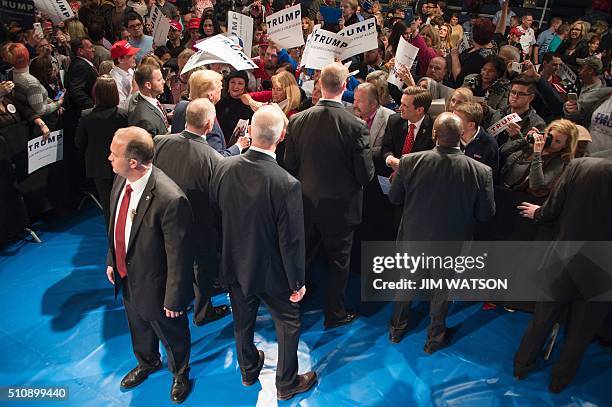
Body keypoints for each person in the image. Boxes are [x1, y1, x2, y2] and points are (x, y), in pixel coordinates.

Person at [210, 104, 317, 400]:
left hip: (234, 263)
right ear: (281, 136)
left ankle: (247, 370)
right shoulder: (286, 183)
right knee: (289, 323)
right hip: (273, 274)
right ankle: (286, 384)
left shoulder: (223, 167)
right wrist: (297, 282)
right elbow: (291, 241)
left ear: (250, 132)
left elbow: (216, 216)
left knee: (242, 321)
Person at [388, 112, 495, 349]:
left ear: (434, 134)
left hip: (414, 238)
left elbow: (395, 198)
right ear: (462, 135)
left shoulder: (410, 161)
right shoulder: (481, 171)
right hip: (452, 244)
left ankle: (396, 330)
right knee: (442, 291)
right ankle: (434, 339)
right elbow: (486, 214)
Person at [105, 127, 194, 403]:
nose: (108, 157)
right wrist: (112, 259)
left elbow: (179, 255)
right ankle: (147, 361)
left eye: (114, 153)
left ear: (133, 161)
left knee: (171, 332)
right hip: (127, 275)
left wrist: (174, 298)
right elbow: (117, 223)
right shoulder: (121, 180)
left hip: (157, 285)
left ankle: (179, 371)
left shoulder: (170, 198)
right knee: (137, 324)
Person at [284, 62, 374, 328]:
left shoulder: (298, 120)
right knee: (338, 262)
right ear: (345, 87)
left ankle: (291, 305)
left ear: (320, 85)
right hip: (341, 208)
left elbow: (290, 164)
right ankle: (334, 314)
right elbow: (365, 176)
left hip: (306, 203)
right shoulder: (356, 125)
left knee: (302, 257)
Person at [515, 149, 612, 394]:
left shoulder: (581, 165)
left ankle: (521, 366)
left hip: (564, 254)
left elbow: (552, 208)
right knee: (582, 330)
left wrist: (537, 212)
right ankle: (560, 380)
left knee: (543, 316)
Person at [153, 98, 230, 326]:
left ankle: (174, 301)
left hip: (163, 220)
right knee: (202, 267)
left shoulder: (159, 142)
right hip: (199, 225)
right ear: (209, 125)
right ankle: (203, 311)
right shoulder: (214, 159)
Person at [75, 75, 128, 223]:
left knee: (108, 207)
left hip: (98, 167)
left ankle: (112, 242)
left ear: (95, 93)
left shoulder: (86, 116)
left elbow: (79, 142)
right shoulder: (123, 115)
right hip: (122, 165)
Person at [171, 69, 250, 155]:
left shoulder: (181, 106)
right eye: (219, 88)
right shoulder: (207, 120)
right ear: (211, 95)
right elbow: (218, 159)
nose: (222, 90)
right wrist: (239, 146)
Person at [501, 119, 578, 197]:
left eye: (558, 141)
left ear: (566, 145)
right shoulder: (533, 144)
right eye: (550, 137)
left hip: (519, 198)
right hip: (501, 187)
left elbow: (536, 185)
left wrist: (537, 153)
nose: (551, 142)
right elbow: (501, 152)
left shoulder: (559, 161)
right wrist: (524, 140)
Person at [381, 86, 435, 176]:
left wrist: (402, 169)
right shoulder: (394, 120)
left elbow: (430, 162)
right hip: (392, 171)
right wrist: (390, 159)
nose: (400, 108)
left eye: (405, 105)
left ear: (419, 110)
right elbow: (386, 147)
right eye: (401, 103)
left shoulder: (433, 127)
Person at [8, 43, 63, 117]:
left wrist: (52, 102)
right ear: (27, 57)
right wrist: (58, 103)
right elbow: (40, 111)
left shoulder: (11, 72)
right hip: (45, 119)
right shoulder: (31, 83)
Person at [453, 101, 499, 176]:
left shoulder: (489, 144)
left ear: (471, 125)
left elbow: (491, 176)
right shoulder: (449, 136)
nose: (451, 122)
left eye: (456, 120)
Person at [128, 64, 169, 136]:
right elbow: (150, 146)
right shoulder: (144, 120)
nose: (164, 82)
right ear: (148, 85)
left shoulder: (143, 97)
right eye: (159, 80)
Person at [215, 70, 254, 144]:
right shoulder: (219, 101)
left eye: (240, 83)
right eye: (232, 82)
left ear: (245, 87)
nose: (236, 86)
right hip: (218, 142)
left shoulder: (249, 106)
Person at [109, 40, 140, 110]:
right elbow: (121, 109)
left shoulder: (130, 70)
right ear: (120, 59)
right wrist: (134, 91)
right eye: (130, 55)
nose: (135, 57)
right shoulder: (114, 81)